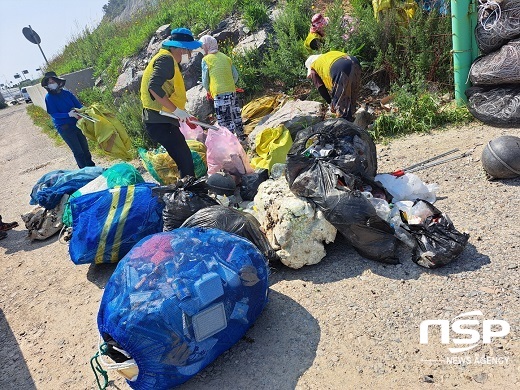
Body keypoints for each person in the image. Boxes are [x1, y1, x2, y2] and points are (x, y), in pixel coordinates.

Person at [140, 27, 202, 179]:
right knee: (185, 160)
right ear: (180, 49)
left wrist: (184, 115)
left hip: (161, 120)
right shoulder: (166, 59)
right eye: (189, 50)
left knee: (183, 159)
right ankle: (189, 194)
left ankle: (187, 192)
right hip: (159, 121)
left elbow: (169, 95)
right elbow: (153, 87)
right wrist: (177, 111)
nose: (190, 54)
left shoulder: (168, 60)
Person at [41, 72, 95, 169]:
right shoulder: (49, 98)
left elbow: (78, 105)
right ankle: (84, 171)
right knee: (78, 151)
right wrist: (68, 115)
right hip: (65, 127)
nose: (51, 83)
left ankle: (92, 168)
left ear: (58, 81)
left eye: (52, 81)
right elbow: (54, 114)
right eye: (49, 82)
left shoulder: (67, 93)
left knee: (85, 149)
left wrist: (86, 110)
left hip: (77, 124)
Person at [199, 35, 245, 141]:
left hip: (219, 93)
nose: (201, 49)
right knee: (235, 114)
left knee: (225, 118)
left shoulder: (206, 60)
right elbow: (236, 75)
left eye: (202, 46)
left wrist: (208, 90)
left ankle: (230, 141)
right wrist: (229, 84)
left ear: (206, 46)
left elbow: (205, 80)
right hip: (231, 90)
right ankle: (241, 137)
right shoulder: (225, 57)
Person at [305, 51, 361, 122]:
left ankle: (345, 127)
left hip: (340, 68)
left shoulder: (314, 67)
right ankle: (354, 120)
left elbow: (321, 87)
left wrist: (330, 102)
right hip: (354, 61)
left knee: (341, 107)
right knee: (352, 95)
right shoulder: (328, 55)